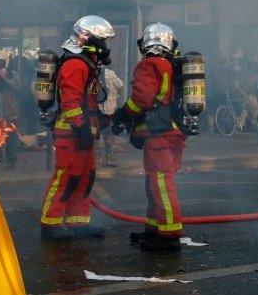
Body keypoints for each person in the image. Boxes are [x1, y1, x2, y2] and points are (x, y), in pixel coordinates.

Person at [39, 15, 115, 239]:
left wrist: (103, 119)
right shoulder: (75, 64)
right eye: (103, 41)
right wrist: (81, 127)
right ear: (88, 40)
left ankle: (78, 222)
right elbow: (71, 102)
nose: (106, 46)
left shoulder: (88, 64)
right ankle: (50, 223)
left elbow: (87, 101)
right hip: (70, 133)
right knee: (65, 177)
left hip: (83, 132)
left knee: (85, 177)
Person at [112, 23, 186, 253]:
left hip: (159, 134)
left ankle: (169, 236)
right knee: (156, 182)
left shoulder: (149, 64)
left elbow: (142, 99)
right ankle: (154, 229)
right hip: (174, 131)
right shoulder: (172, 64)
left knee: (162, 184)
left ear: (147, 42)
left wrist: (124, 113)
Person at [100, 66, 125, 166]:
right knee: (109, 135)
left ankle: (95, 161)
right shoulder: (110, 74)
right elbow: (120, 86)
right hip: (109, 110)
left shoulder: (92, 72)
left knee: (94, 136)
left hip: (96, 111)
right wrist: (115, 96)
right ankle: (110, 160)